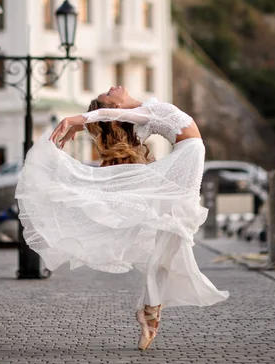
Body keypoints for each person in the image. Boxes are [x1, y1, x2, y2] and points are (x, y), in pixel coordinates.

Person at [15, 86, 229, 350]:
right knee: (174, 240)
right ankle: (150, 310)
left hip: (184, 163)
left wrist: (81, 124)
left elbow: (107, 116)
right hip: (185, 164)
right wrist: (76, 120)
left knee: (172, 243)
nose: (111, 88)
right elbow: (106, 114)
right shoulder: (140, 113)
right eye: (107, 94)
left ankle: (150, 310)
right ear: (114, 106)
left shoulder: (142, 112)